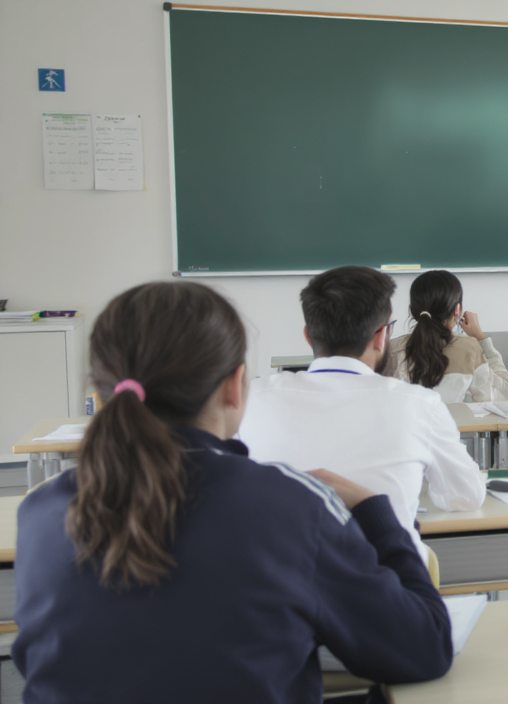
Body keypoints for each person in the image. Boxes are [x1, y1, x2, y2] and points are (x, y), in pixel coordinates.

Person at [13, 281, 452, 702]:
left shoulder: (40, 514)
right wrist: (377, 511)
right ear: (233, 384)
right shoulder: (288, 507)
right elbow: (422, 648)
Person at [239, 266, 485, 566]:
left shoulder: (253, 398)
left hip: (282, 587)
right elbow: (466, 496)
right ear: (381, 335)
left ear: (308, 336)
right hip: (387, 585)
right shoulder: (420, 405)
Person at [389, 269, 508, 402]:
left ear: (412, 310)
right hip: (454, 423)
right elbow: (504, 394)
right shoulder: (468, 349)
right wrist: (480, 337)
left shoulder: (392, 349)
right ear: (457, 310)